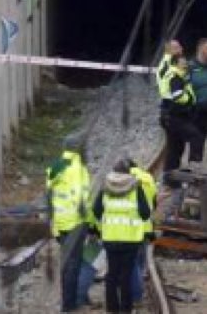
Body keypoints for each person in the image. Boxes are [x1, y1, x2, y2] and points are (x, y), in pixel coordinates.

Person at [93, 159, 151, 314]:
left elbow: (96, 210)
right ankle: (126, 309)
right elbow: (145, 213)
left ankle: (112, 309)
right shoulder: (136, 187)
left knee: (111, 274)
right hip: (130, 240)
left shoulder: (105, 187)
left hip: (111, 238)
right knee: (126, 275)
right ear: (128, 172)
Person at [46, 133, 92, 313]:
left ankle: (72, 299)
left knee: (68, 263)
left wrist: (53, 224)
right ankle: (69, 304)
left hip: (60, 223)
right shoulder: (78, 168)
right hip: (76, 224)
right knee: (74, 263)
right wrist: (89, 222)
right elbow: (81, 199)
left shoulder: (55, 166)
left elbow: (49, 197)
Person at [159, 54, 204, 181]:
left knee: (175, 147)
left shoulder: (176, 74)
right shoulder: (175, 76)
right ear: (175, 63)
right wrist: (189, 100)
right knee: (196, 136)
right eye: (182, 61)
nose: (185, 63)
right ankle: (193, 169)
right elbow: (178, 95)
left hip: (170, 116)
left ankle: (170, 177)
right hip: (175, 116)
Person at [127, 157, 158, 305]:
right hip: (146, 226)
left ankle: (136, 295)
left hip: (131, 227)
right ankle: (138, 291)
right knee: (140, 262)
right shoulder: (147, 177)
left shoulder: (125, 179)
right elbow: (154, 202)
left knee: (132, 264)